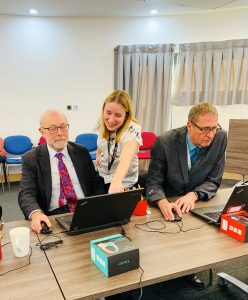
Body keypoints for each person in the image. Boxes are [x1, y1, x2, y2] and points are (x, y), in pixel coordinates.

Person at [146, 102, 227, 288]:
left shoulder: (221, 137)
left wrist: (194, 195)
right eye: (205, 129)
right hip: (170, 199)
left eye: (214, 128)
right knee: (166, 248)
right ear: (189, 125)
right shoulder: (165, 142)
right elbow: (153, 182)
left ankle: (189, 270)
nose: (211, 135)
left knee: (200, 238)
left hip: (196, 201)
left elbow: (214, 180)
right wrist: (162, 202)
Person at [18, 109, 105, 233]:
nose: (60, 133)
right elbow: (26, 193)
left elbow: (96, 182)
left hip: (85, 209)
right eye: (52, 128)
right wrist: (36, 214)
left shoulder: (81, 151)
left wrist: (95, 203)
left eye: (63, 127)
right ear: (42, 132)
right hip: (53, 216)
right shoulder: (31, 158)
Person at [96, 90, 142, 193]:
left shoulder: (133, 129)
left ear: (126, 115)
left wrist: (116, 182)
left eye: (118, 115)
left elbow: (126, 157)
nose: (111, 120)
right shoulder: (103, 121)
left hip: (123, 183)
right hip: (103, 177)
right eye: (108, 113)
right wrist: (98, 154)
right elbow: (102, 142)